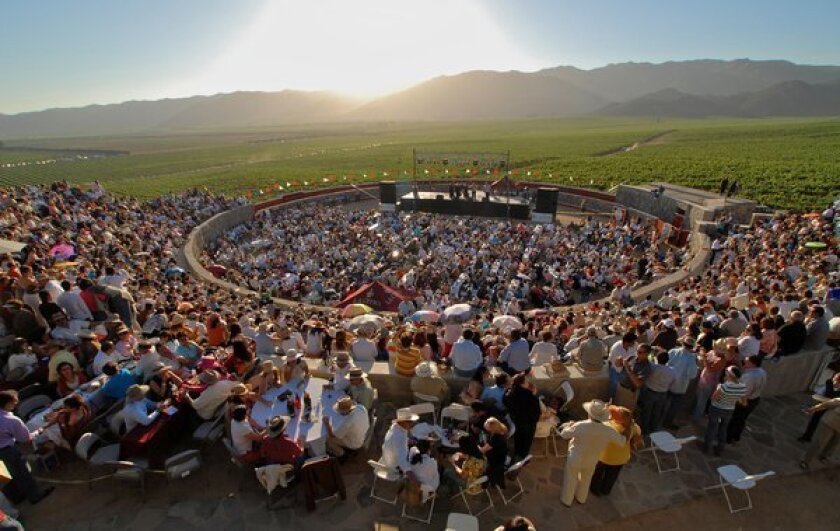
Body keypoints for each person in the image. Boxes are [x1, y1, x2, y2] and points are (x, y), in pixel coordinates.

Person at [559, 399, 624, 506]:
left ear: (589, 413)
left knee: (570, 478)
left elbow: (564, 435)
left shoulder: (581, 425)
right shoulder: (609, 430)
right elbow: (621, 442)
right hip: (592, 459)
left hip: (575, 457)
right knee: (586, 479)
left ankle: (567, 500)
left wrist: (569, 426)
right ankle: (581, 499)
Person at [0, 391, 54, 504]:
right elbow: (25, 439)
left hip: (3, 449)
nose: (15, 404)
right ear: (7, 404)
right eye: (13, 402)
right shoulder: (11, 420)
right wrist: (38, 431)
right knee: (23, 473)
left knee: (13, 473)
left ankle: (22, 494)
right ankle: (35, 496)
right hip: (8, 449)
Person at [589, 405, 642, 497]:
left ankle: (595, 490)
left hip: (605, 456)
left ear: (617, 417)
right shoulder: (635, 427)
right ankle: (606, 490)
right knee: (612, 475)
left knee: (597, 474)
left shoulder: (609, 425)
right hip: (622, 458)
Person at [702, 366, 746, 455]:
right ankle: (719, 449)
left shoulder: (723, 386)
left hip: (717, 409)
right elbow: (743, 402)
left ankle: (707, 448)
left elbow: (713, 398)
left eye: (726, 371)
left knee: (712, 428)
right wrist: (733, 398)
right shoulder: (742, 387)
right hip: (729, 410)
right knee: (723, 429)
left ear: (729, 375)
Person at [727, 355, 767, 444]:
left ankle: (728, 438)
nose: (744, 362)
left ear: (753, 364)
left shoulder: (750, 377)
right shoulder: (762, 372)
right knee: (741, 419)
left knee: (734, 419)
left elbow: (743, 393)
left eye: (746, 361)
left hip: (745, 401)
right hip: (755, 399)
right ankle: (736, 436)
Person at [636, 350, 676, 435]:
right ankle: (653, 429)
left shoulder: (652, 367)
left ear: (657, 358)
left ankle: (644, 430)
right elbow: (672, 382)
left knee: (647, 412)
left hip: (650, 392)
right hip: (662, 394)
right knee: (657, 412)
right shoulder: (672, 371)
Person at [664, 336, 699, 429]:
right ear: (692, 347)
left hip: (667, 382)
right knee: (674, 406)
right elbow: (692, 375)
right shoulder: (691, 359)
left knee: (663, 402)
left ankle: (658, 419)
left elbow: (664, 362)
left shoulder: (673, 351)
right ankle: (667, 423)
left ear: (683, 343)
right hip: (680, 386)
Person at [503, 373, 541, 460]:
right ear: (522, 384)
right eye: (526, 381)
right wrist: (534, 394)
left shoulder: (509, 393)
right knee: (526, 442)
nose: (528, 383)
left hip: (516, 421)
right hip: (528, 423)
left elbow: (505, 401)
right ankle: (522, 457)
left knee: (518, 438)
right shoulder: (530, 397)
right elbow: (536, 412)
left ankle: (517, 452)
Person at [800, 372, 840, 442]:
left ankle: (807, 436)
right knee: (815, 419)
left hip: (828, 404)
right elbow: (829, 393)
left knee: (815, 419)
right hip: (820, 400)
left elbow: (832, 396)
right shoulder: (829, 382)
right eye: (835, 377)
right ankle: (807, 436)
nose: (834, 379)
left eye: (836, 378)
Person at [381, 409, 418, 475]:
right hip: (394, 467)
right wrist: (412, 476)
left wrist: (408, 440)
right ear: (403, 422)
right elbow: (402, 462)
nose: (412, 424)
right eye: (410, 422)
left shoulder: (395, 427)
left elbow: (395, 441)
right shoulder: (400, 438)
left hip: (386, 460)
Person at [480, 417, 509, 489]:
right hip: (501, 457)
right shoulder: (502, 430)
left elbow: (483, 450)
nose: (487, 430)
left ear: (492, 429)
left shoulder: (496, 438)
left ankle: (483, 484)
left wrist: (476, 446)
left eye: (487, 429)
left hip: (495, 462)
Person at [408, 439, 439, 503]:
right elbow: (433, 475)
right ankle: (430, 495)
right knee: (438, 472)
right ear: (428, 450)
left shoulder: (411, 456)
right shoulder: (432, 462)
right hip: (427, 487)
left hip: (413, 485)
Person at [607, 333, 637, 399]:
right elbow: (617, 364)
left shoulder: (631, 346)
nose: (634, 343)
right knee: (613, 386)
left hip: (624, 369)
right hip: (615, 370)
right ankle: (609, 401)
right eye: (633, 342)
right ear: (627, 342)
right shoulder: (616, 349)